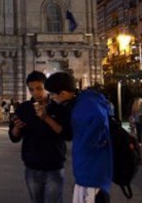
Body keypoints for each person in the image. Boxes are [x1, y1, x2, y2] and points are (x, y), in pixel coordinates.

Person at [45, 73, 112, 203]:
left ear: (63, 93)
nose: (52, 98)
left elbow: (99, 122)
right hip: (87, 170)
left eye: (52, 94)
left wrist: (87, 143)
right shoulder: (82, 101)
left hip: (92, 172)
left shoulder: (85, 103)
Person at [9, 71, 71, 203]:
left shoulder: (56, 107)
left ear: (46, 87)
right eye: (31, 90)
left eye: (39, 88)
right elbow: (14, 137)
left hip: (54, 166)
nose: (35, 93)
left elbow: (65, 134)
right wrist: (17, 128)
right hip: (32, 167)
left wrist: (46, 118)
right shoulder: (24, 108)